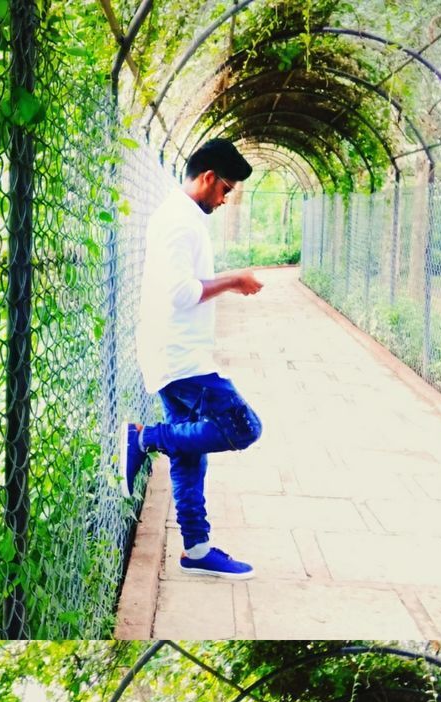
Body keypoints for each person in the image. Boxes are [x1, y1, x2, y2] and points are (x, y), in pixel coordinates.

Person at [122, 138, 265, 581]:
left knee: (188, 456)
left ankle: (197, 549)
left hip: (177, 353)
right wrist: (234, 280)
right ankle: (142, 439)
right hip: (180, 359)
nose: (225, 200)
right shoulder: (178, 222)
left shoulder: (181, 217)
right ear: (207, 178)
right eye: (225, 189)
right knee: (243, 427)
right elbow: (182, 293)